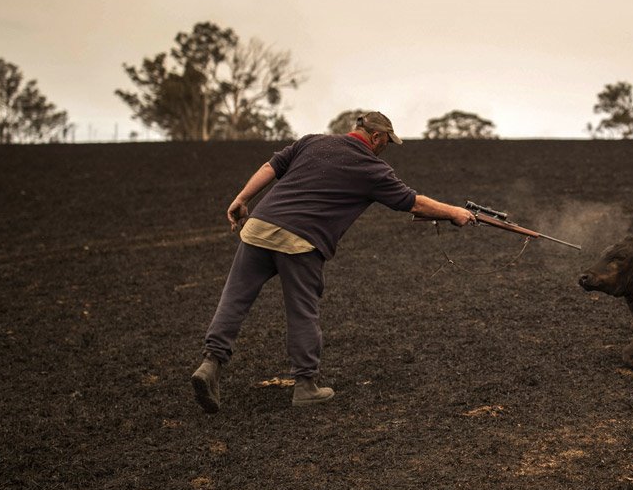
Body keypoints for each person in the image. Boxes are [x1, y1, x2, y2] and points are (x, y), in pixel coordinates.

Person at [191, 111, 475, 412]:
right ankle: (305, 386)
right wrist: (455, 212)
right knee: (302, 311)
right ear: (376, 137)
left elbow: (270, 166)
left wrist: (242, 198)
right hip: (301, 241)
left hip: (259, 226)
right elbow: (413, 202)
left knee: (234, 299)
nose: (385, 148)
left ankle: (210, 364)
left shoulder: (312, 142)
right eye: (386, 142)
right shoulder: (371, 167)